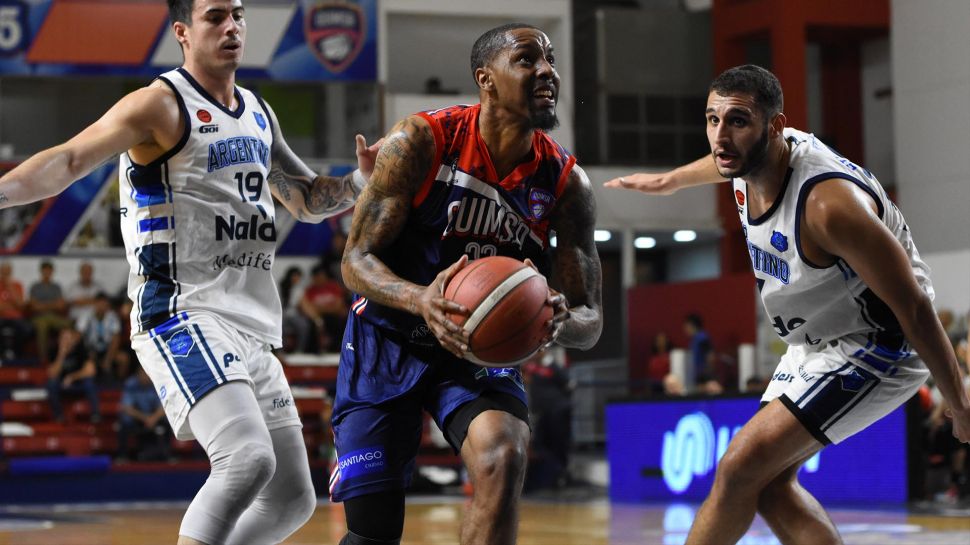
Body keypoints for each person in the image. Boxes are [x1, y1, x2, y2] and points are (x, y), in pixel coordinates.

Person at [0, 1, 379, 544]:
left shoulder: (257, 111)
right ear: (182, 31)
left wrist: (360, 183)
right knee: (246, 459)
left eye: (238, 15)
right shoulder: (159, 104)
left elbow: (307, 199)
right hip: (181, 309)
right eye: (215, 16)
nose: (232, 27)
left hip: (249, 320)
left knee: (292, 498)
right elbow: (69, 160)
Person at [606, 64, 970, 545]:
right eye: (712, 119)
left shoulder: (829, 207)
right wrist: (670, 181)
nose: (720, 136)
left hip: (879, 343)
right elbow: (721, 159)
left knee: (738, 467)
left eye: (737, 121)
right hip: (817, 337)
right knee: (770, 486)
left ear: (775, 127)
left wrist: (958, 402)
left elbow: (917, 310)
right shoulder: (748, 158)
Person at [334, 23, 603, 545]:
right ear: (486, 79)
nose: (547, 71)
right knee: (373, 535)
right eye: (527, 59)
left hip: (478, 351)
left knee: (505, 456)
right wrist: (421, 299)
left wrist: (558, 321)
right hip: (388, 339)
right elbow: (355, 260)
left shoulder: (566, 183)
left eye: (550, 59)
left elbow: (589, 321)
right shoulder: (422, 140)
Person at [46, 327, 101, 424]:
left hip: (78, 382)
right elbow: (52, 374)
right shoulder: (54, 351)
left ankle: (95, 414)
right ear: (59, 340)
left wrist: (72, 377)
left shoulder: (80, 349)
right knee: (51, 384)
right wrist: (61, 355)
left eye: (69, 338)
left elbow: (91, 371)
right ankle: (58, 416)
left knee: (89, 383)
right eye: (63, 339)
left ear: (73, 340)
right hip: (62, 383)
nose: (66, 342)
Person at [28, 261, 71, 364]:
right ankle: (43, 359)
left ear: (52, 272)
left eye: (49, 271)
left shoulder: (57, 287)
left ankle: (67, 356)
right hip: (38, 318)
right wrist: (52, 305)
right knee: (42, 327)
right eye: (45, 271)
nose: (47, 273)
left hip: (54, 317)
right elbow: (34, 307)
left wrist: (42, 305)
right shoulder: (35, 287)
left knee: (70, 325)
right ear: (41, 271)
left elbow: (61, 306)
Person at [0, 261, 30, 361]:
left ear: (11, 272)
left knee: (27, 330)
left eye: (7, 272)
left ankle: (17, 355)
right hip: (1, 317)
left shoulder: (17, 285)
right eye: (3, 271)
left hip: (16, 318)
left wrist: (10, 287)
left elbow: (21, 305)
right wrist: (12, 306)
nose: (5, 274)